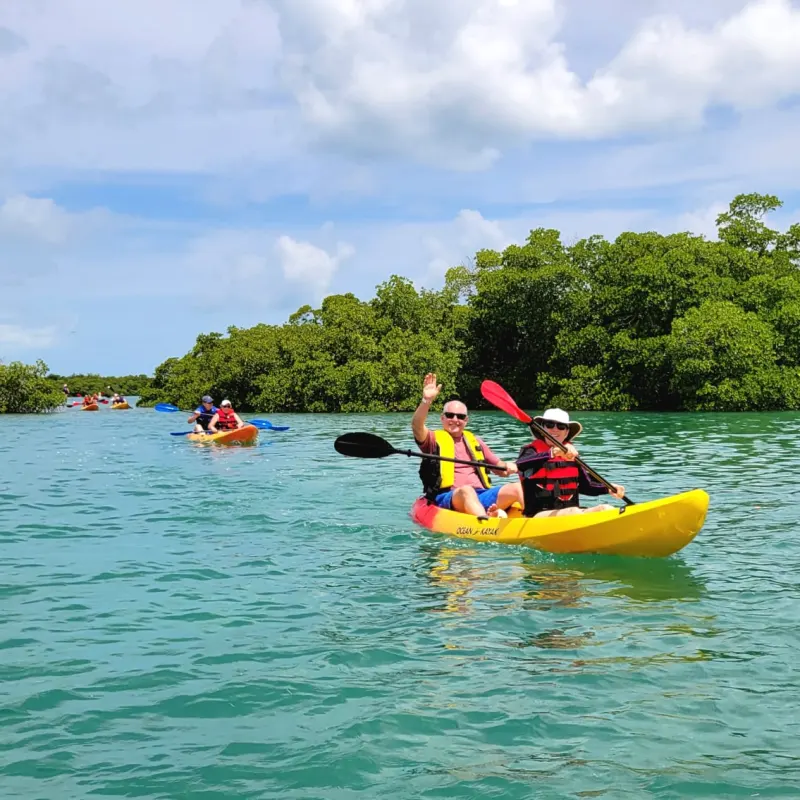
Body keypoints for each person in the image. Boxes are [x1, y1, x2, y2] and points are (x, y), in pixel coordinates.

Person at [412, 373, 523, 520]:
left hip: (481, 495)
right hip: (449, 497)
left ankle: (535, 517)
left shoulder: (475, 441)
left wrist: (509, 467)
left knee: (517, 487)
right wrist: (426, 400)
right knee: (466, 491)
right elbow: (416, 426)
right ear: (442, 418)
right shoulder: (433, 439)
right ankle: (486, 522)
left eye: (460, 417)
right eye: (450, 415)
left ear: (466, 420)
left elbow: (499, 468)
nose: (455, 420)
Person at [516, 408, 625, 518]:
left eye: (561, 426)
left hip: (570, 515)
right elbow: (520, 464)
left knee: (605, 509)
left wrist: (607, 488)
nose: (555, 429)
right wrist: (552, 453)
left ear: (566, 432)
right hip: (538, 516)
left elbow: (586, 486)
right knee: (574, 512)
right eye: (549, 425)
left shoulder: (572, 456)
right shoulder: (530, 452)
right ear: (542, 428)